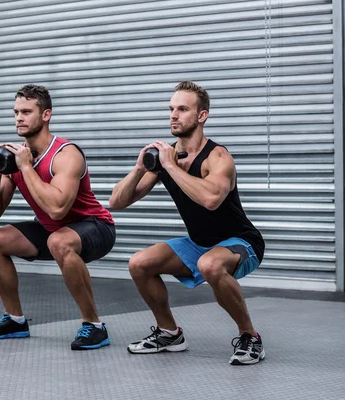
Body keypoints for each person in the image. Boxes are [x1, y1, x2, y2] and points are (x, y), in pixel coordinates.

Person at [109, 81, 266, 365]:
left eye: (182, 109)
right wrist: (139, 168)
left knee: (210, 264)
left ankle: (250, 336)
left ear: (202, 115)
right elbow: (116, 203)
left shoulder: (218, 157)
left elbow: (211, 200)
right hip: (199, 243)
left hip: (241, 242)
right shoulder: (166, 157)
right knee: (139, 263)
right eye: (171, 109)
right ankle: (170, 333)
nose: (173, 115)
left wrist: (169, 166)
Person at [0, 84, 116, 351]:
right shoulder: (16, 159)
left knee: (59, 242)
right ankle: (15, 320)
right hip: (53, 231)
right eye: (16, 112)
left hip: (96, 227)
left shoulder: (65, 154)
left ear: (46, 115)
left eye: (27, 112)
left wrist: (26, 167)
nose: (19, 117)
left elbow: (57, 209)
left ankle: (95, 326)